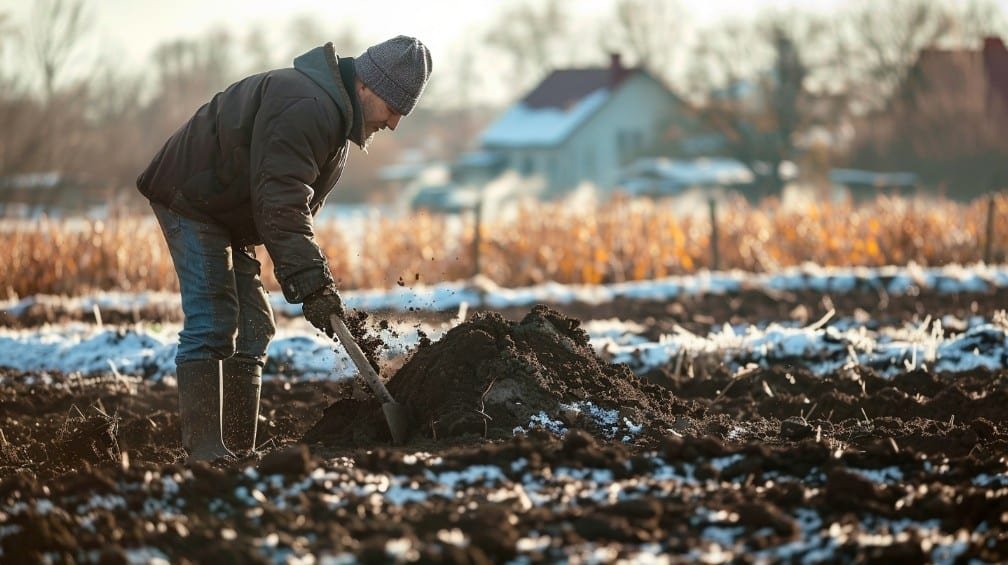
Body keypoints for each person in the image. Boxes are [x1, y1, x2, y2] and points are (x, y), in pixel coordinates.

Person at [136, 36, 432, 462]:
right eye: (393, 108)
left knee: (255, 325)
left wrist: (313, 278)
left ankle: (238, 448)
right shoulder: (308, 107)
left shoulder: (334, 118)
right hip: (193, 196)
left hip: (226, 208)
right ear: (368, 86)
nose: (394, 123)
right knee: (214, 316)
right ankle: (205, 452)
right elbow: (280, 200)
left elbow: (287, 205)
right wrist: (311, 282)